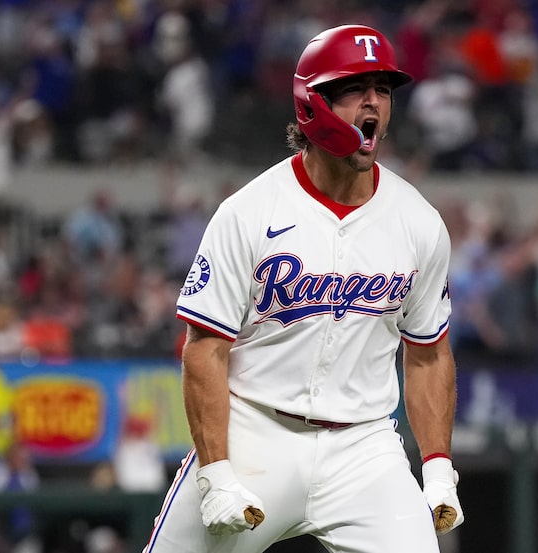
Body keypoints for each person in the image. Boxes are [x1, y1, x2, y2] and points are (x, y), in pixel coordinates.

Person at [144, 24, 464, 553]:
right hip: (255, 430)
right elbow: (204, 350)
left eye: (382, 90)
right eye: (356, 89)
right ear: (313, 102)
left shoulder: (418, 222)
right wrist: (217, 472)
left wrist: (437, 466)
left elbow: (429, 354)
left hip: (364, 448)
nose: (374, 103)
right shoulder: (249, 212)